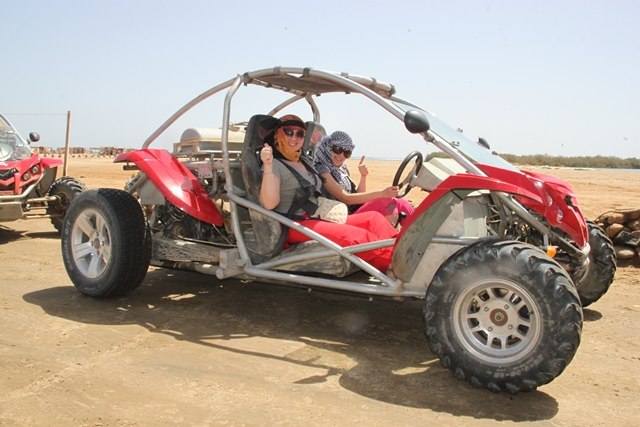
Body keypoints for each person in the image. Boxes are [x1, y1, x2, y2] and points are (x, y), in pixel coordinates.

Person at [259, 114, 398, 272]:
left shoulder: (303, 161)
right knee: (357, 237)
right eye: (289, 132)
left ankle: (403, 252)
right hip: (295, 224)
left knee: (374, 219)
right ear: (279, 134)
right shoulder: (274, 164)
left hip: (319, 215)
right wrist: (268, 166)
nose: (294, 137)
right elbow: (269, 204)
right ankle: (396, 267)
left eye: (300, 134)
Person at [313, 131, 415, 228]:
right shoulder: (321, 169)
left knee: (401, 203)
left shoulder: (341, 168)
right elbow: (346, 198)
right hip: (342, 217)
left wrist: (363, 176)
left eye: (347, 153)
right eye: (338, 149)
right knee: (386, 201)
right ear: (328, 146)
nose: (341, 156)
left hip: (353, 210)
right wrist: (382, 193)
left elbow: (358, 198)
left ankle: (418, 234)